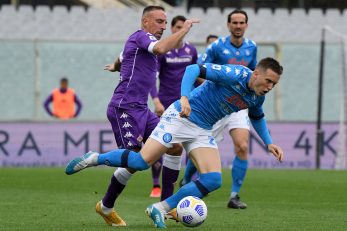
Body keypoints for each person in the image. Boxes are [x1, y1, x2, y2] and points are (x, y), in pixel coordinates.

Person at [65, 57, 284, 228]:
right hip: (181, 117)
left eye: (274, 84)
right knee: (142, 162)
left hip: (201, 130)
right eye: (268, 81)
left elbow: (257, 116)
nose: (270, 87)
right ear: (256, 73)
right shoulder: (233, 74)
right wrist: (185, 97)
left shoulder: (257, 97)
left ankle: (159, 208)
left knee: (213, 180)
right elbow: (193, 69)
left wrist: (268, 143)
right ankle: (94, 158)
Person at [95, 6, 198, 227]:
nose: (162, 26)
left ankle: (164, 207)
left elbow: (124, 55)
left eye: (164, 22)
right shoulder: (143, 36)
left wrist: (115, 66)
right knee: (135, 160)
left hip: (142, 109)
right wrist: (184, 29)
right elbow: (160, 48)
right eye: (159, 21)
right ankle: (104, 199)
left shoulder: (142, 44)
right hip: (124, 107)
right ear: (145, 22)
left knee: (174, 147)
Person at [180, 9, 257, 209]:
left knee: (242, 146)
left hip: (239, 104)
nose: (238, 26)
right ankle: (187, 180)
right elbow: (199, 68)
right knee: (200, 146)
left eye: (242, 23)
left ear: (246, 25)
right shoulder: (216, 46)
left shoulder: (252, 47)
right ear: (228, 25)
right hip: (216, 104)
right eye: (235, 23)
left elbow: (255, 73)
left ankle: (234, 196)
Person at [149, 15, 198, 200]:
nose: (179, 30)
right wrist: (156, 101)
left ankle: (186, 182)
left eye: (182, 27)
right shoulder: (163, 51)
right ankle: (156, 184)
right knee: (162, 145)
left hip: (186, 104)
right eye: (176, 27)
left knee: (187, 144)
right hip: (165, 104)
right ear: (172, 29)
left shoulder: (191, 50)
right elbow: (152, 79)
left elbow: (195, 75)